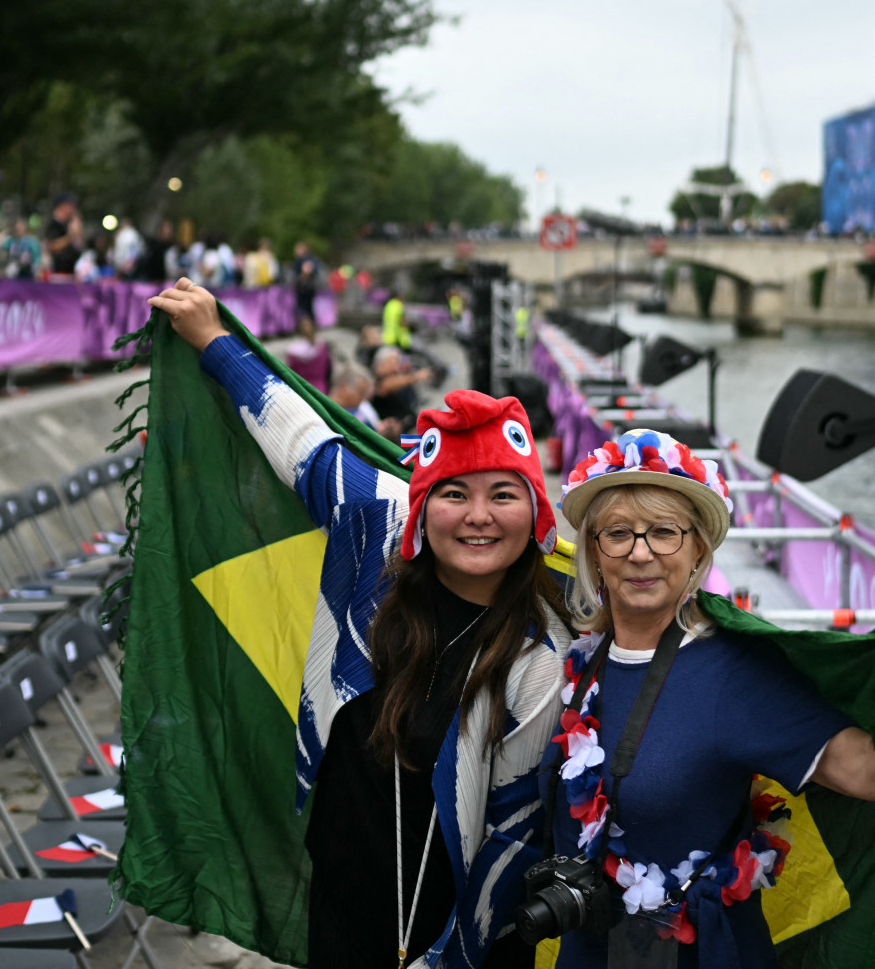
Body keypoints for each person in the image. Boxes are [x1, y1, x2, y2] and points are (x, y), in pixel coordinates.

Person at [147, 276, 574, 969]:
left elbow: (513, 833)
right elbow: (300, 440)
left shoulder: (542, 652)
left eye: (504, 494)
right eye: (454, 495)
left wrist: (450, 956)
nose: (478, 516)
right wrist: (211, 338)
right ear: (421, 506)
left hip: (466, 931)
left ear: (537, 517)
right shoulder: (376, 528)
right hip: (344, 894)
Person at [543, 431, 875, 969]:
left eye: (665, 532)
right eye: (618, 533)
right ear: (595, 552)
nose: (640, 552)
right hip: (590, 949)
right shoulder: (578, 662)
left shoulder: (735, 673)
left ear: (697, 551)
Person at [371, 345, 432, 438]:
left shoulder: (395, 376)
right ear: (382, 363)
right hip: (392, 433)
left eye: (397, 361)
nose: (396, 365)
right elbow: (386, 386)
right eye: (392, 361)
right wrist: (417, 376)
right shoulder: (378, 380)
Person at [327, 357, 386, 432]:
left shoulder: (359, 418)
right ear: (344, 387)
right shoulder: (354, 420)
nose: (363, 399)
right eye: (361, 393)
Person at [281, 312, 332, 392]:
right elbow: (328, 371)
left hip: (301, 390)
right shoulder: (323, 348)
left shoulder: (292, 351)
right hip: (319, 389)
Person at [44, 192, 83, 279]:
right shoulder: (53, 224)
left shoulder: (68, 224)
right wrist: (71, 235)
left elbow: (80, 246)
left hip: (71, 272)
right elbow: (53, 247)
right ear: (62, 205)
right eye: (71, 205)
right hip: (58, 273)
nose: (73, 209)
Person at [292, 240, 323, 323]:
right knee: (309, 307)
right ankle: (309, 325)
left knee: (303, 309)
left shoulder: (303, 260)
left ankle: (307, 326)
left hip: (305, 286)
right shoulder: (312, 259)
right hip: (309, 287)